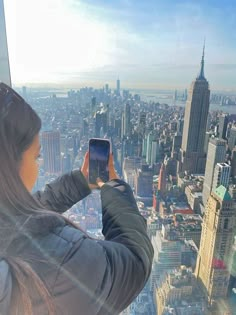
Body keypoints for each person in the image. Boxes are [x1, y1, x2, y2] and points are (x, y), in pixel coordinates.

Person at [0, 82, 154, 315]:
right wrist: (112, 186)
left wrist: (80, 183)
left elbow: (18, 221)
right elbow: (134, 263)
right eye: (36, 155)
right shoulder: (63, 264)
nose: (39, 163)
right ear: (10, 168)